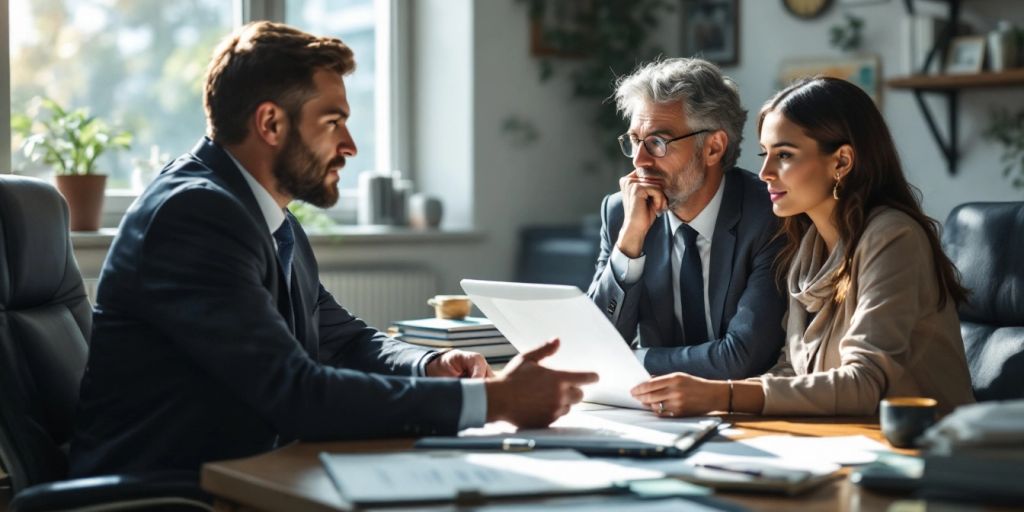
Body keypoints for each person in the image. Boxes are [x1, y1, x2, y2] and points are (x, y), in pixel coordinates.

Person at [69, 21, 597, 476]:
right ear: (270, 123)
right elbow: (295, 394)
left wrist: (432, 363)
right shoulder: (195, 215)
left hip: (248, 470)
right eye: (332, 121)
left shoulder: (264, 212)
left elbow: (343, 341)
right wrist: (493, 401)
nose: (350, 146)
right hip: (174, 490)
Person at [631, 76, 976, 417]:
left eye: (784, 155)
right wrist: (720, 410)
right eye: (764, 153)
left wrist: (723, 394)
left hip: (928, 450)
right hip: (842, 441)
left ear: (841, 161)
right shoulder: (807, 248)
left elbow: (865, 382)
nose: (764, 171)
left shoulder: (892, 237)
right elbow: (791, 371)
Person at [588, 58, 786, 381]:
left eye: (657, 142)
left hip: (743, 412)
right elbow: (593, 347)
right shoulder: (621, 214)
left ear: (713, 147)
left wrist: (634, 360)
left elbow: (741, 358)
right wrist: (628, 244)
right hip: (652, 416)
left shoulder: (768, 216)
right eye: (635, 141)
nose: (639, 160)